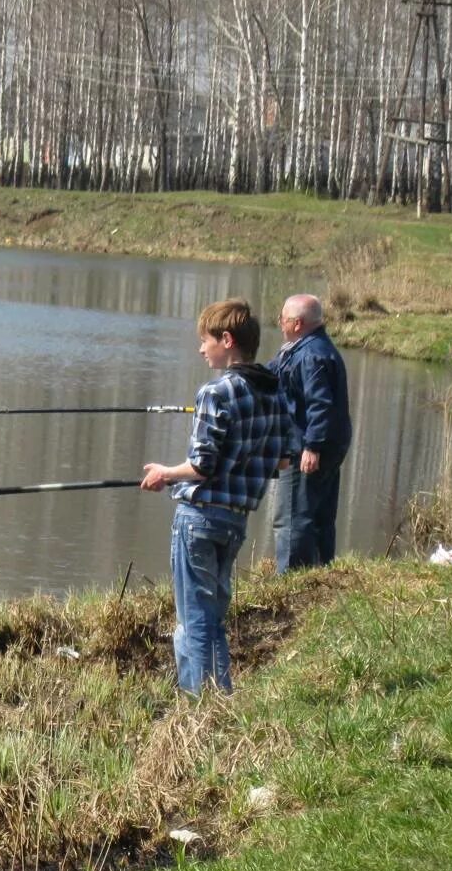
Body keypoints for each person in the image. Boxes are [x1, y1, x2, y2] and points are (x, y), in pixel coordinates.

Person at [141, 299, 288, 694]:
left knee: (194, 621)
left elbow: (202, 465)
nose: (201, 349)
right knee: (214, 617)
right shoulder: (274, 393)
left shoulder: (216, 392)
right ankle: (222, 697)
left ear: (227, 340)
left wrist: (164, 474)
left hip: (199, 520)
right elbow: (285, 460)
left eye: (205, 340)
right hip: (236, 521)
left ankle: (197, 708)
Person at [269, 294, 351, 572]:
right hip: (330, 446)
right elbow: (272, 377)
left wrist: (312, 446)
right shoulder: (312, 348)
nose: (280, 323)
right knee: (320, 516)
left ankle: (292, 582)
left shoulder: (309, 356)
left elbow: (320, 404)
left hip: (307, 448)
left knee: (292, 518)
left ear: (298, 323)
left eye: (283, 319)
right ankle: (321, 573)